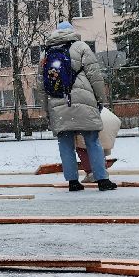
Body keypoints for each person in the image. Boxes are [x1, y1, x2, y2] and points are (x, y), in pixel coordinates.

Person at [41, 21, 118, 192]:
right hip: (83, 100)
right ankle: (102, 180)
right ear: (71, 32)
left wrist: (47, 110)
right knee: (92, 141)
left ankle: (73, 182)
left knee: (65, 144)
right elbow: (95, 76)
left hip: (57, 103)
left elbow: (43, 85)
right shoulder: (81, 47)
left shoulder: (46, 52)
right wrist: (100, 99)